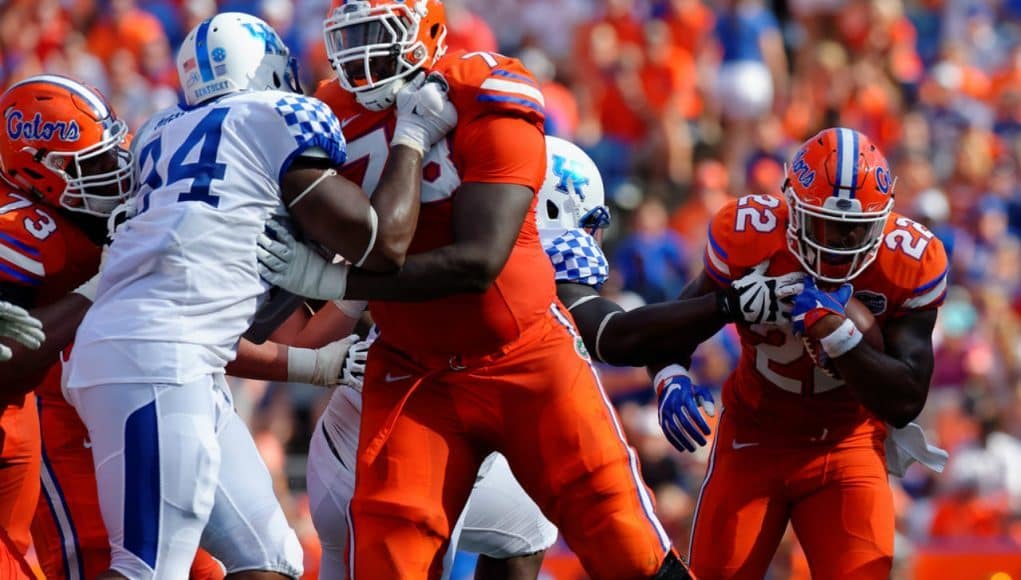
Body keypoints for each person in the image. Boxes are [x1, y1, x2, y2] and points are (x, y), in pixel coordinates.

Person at [260, 2, 692, 576]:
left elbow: (479, 263)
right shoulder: (326, 113)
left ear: (428, 32)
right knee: (391, 552)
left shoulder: (484, 89)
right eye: (350, 36)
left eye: (376, 34)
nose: (360, 53)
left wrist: (334, 279)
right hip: (415, 370)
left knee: (622, 538)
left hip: (524, 356)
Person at [63, 12, 455, 579]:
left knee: (272, 560)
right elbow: (380, 243)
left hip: (165, 353)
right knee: (147, 569)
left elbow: (232, 303)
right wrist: (412, 139)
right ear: (270, 67)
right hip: (159, 358)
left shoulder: (157, 131)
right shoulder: (279, 114)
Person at [655, 127, 948, 578]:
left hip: (846, 445)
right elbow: (674, 324)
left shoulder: (906, 260)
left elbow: (907, 398)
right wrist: (670, 376)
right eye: (824, 224)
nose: (838, 244)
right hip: (754, 438)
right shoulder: (750, 236)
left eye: (853, 231)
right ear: (791, 206)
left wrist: (838, 336)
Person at [0, 74, 228, 579]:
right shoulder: (23, 233)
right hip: (48, 421)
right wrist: (102, 282)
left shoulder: (90, 216)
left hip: (110, 404)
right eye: (93, 165)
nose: (115, 172)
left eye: (113, 152)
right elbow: (9, 367)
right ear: (38, 172)